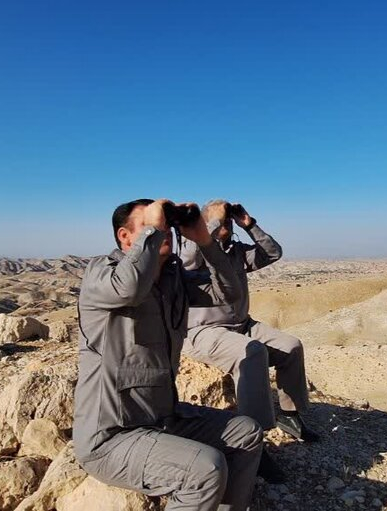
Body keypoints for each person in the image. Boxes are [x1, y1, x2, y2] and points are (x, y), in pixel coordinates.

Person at [74, 198, 263, 511]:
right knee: (205, 468)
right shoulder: (101, 274)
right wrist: (153, 229)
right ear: (125, 237)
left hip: (164, 418)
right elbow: (129, 288)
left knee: (246, 432)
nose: (163, 231)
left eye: (165, 226)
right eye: (150, 225)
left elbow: (230, 292)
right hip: (112, 435)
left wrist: (204, 240)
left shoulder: (174, 281)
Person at [179, 201, 319, 482]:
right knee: (252, 353)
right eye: (221, 221)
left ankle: (289, 414)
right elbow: (190, 260)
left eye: (228, 221)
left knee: (291, 346)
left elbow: (272, 253)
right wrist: (212, 221)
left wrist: (249, 224)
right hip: (203, 331)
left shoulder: (236, 251)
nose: (226, 225)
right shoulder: (190, 248)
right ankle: (254, 440)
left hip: (243, 325)